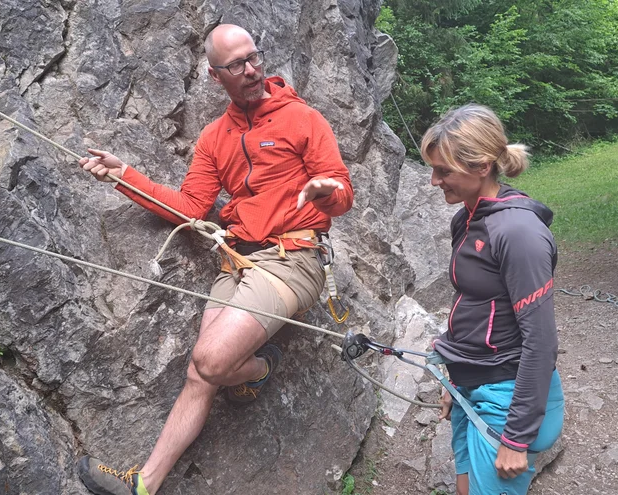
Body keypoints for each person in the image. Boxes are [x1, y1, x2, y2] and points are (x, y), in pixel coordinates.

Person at [76, 24, 353, 495]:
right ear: (214, 75)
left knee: (209, 358)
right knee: (200, 372)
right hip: (237, 258)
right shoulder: (214, 137)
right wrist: (125, 176)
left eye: (254, 57)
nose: (251, 70)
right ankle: (144, 484)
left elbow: (342, 191)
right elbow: (189, 207)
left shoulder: (304, 119)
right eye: (236, 65)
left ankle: (262, 368)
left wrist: (328, 195)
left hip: (294, 258)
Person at [421, 104, 564, 495]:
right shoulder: (465, 218)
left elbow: (541, 340)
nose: (434, 181)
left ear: (482, 166)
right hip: (471, 381)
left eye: (444, 171)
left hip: (506, 394)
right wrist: (456, 378)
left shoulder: (518, 232)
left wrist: (516, 438)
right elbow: (474, 307)